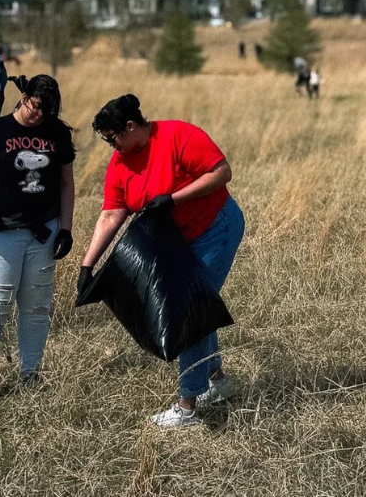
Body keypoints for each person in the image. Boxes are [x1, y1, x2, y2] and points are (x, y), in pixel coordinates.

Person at [80, 94, 244, 428]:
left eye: (112, 138)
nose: (110, 145)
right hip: (175, 243)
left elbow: (222, 172)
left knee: (190, 310)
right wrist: (87, 265)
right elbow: (111, 214)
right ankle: (219, 380)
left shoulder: (178, 136)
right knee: (198, 304)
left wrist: (173, 198)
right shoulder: (121, 163)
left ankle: (186, 407)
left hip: (215, 228)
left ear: (130, 127)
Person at [0, 74, 75, 390]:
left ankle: (30, 374)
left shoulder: (57, 133)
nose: (40, 115)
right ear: (24, 97)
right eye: (37, 106)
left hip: (43, 232)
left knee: (37, 307)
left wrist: (65, 229)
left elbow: (66, 184)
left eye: (47, 110)